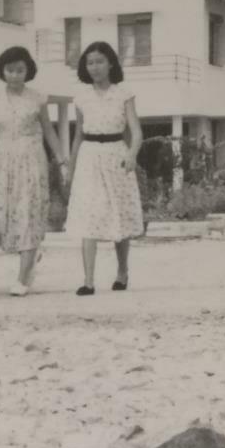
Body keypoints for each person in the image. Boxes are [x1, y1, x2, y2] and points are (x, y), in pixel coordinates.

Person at [0, 45, 69, 296]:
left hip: (32, 161)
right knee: (9, 217)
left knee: (28, 213)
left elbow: (49, 131)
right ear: (2, 71)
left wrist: (61, 160)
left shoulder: (38, 98)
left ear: (28, 72)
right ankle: (32, 255)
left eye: (20, 70)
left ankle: (22, 278)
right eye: (10, 70)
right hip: (2, 163)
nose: (15, 75)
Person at [65, 40, 145, 295]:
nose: (95, 67)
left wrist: (132, 154)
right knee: (89, 214)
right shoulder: (81, 97)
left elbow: (136, 131)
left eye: (100, 62)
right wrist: (71, 168)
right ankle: (88, 280)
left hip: (116, 155)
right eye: (90, 63)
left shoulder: (124, 94)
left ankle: (122, 272)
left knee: (117, 212)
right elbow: (78, 135)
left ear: (110, 63)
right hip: (89, 156)